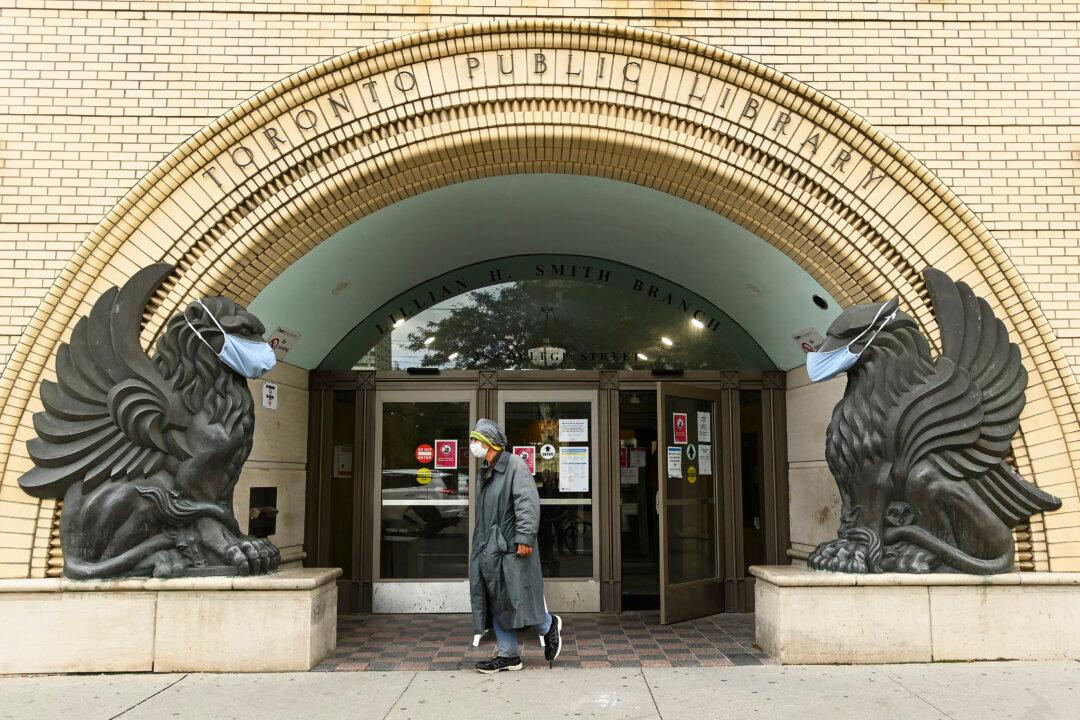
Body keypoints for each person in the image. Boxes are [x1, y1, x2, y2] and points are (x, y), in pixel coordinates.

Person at [468, 418, 562, 673]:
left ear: (489, 442)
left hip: (511, 547)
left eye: (477, 440)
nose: (473, 444)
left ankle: (548, 625)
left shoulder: (514, 465)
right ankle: (509, 655)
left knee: (517, 598)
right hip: (489, 548)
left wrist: (524, 537)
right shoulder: (485, 470)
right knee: (497, 599)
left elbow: (527, 503)